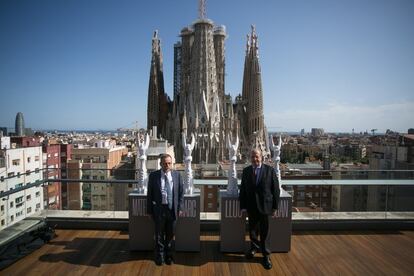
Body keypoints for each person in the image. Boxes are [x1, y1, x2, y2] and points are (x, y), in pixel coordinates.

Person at [239, 149, 280, 270]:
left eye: (256, 157)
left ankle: (266, 255)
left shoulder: (270, 170)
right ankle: (254, 248)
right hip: (252, 207)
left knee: (265, 232)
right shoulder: (246, 171)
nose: (254, 159)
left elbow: (275, 190)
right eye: (252, 157)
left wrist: (275, 207)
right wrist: (242, 206)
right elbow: (243, 190)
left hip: (265, 207)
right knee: (252, 231)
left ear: (261, 157)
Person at [147, 154, 184, 266]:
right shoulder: (153, 176)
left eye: (169, 163)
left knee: (170, 234)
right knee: (159, 235)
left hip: (172, 210)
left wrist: (180, 208)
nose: (167, 165)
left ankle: (169, 256)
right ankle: (160, 256)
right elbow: (150, 195)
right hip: (159, 210)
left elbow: (181, 193)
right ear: (160, 164)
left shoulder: (177, 175)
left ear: (171, 163)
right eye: (165, 163)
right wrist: (149, 211)